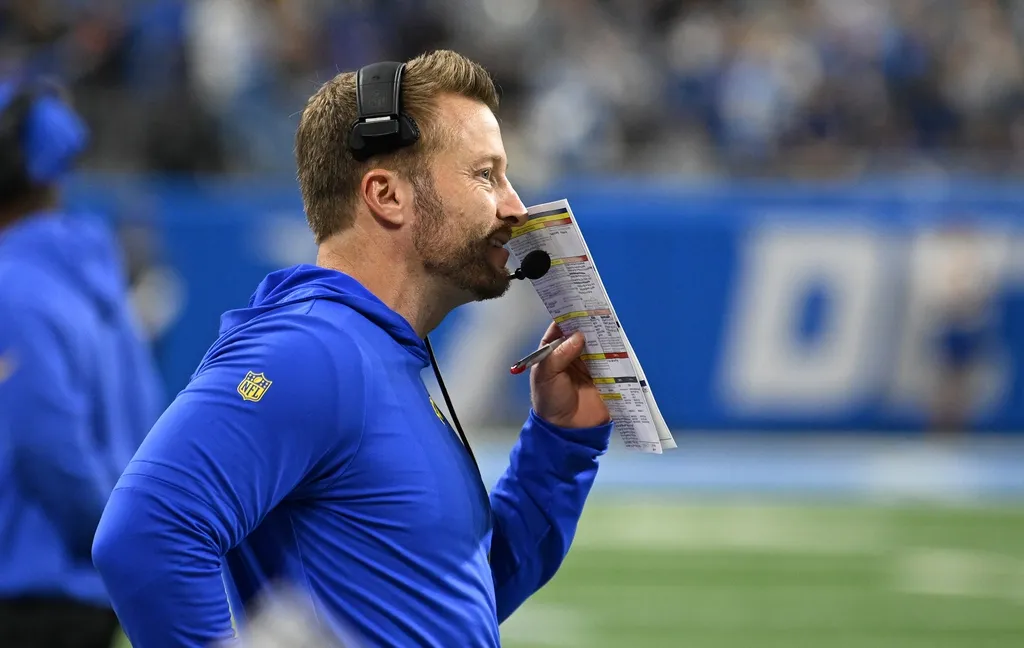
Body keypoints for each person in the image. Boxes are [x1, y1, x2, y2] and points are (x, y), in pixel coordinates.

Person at [92, 49, 613, 647]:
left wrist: (562, 442)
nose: (514, 206)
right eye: (484, 175)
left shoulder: (376, 356)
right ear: (386, 194)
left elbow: (450, 596)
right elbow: (145, 536)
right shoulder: (311, 352)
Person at [0, 78, 164, 647]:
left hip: (33, 603)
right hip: (96, 596)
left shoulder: (11, 285)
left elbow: (49, 447)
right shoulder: (98, 276)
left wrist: (110, 541)